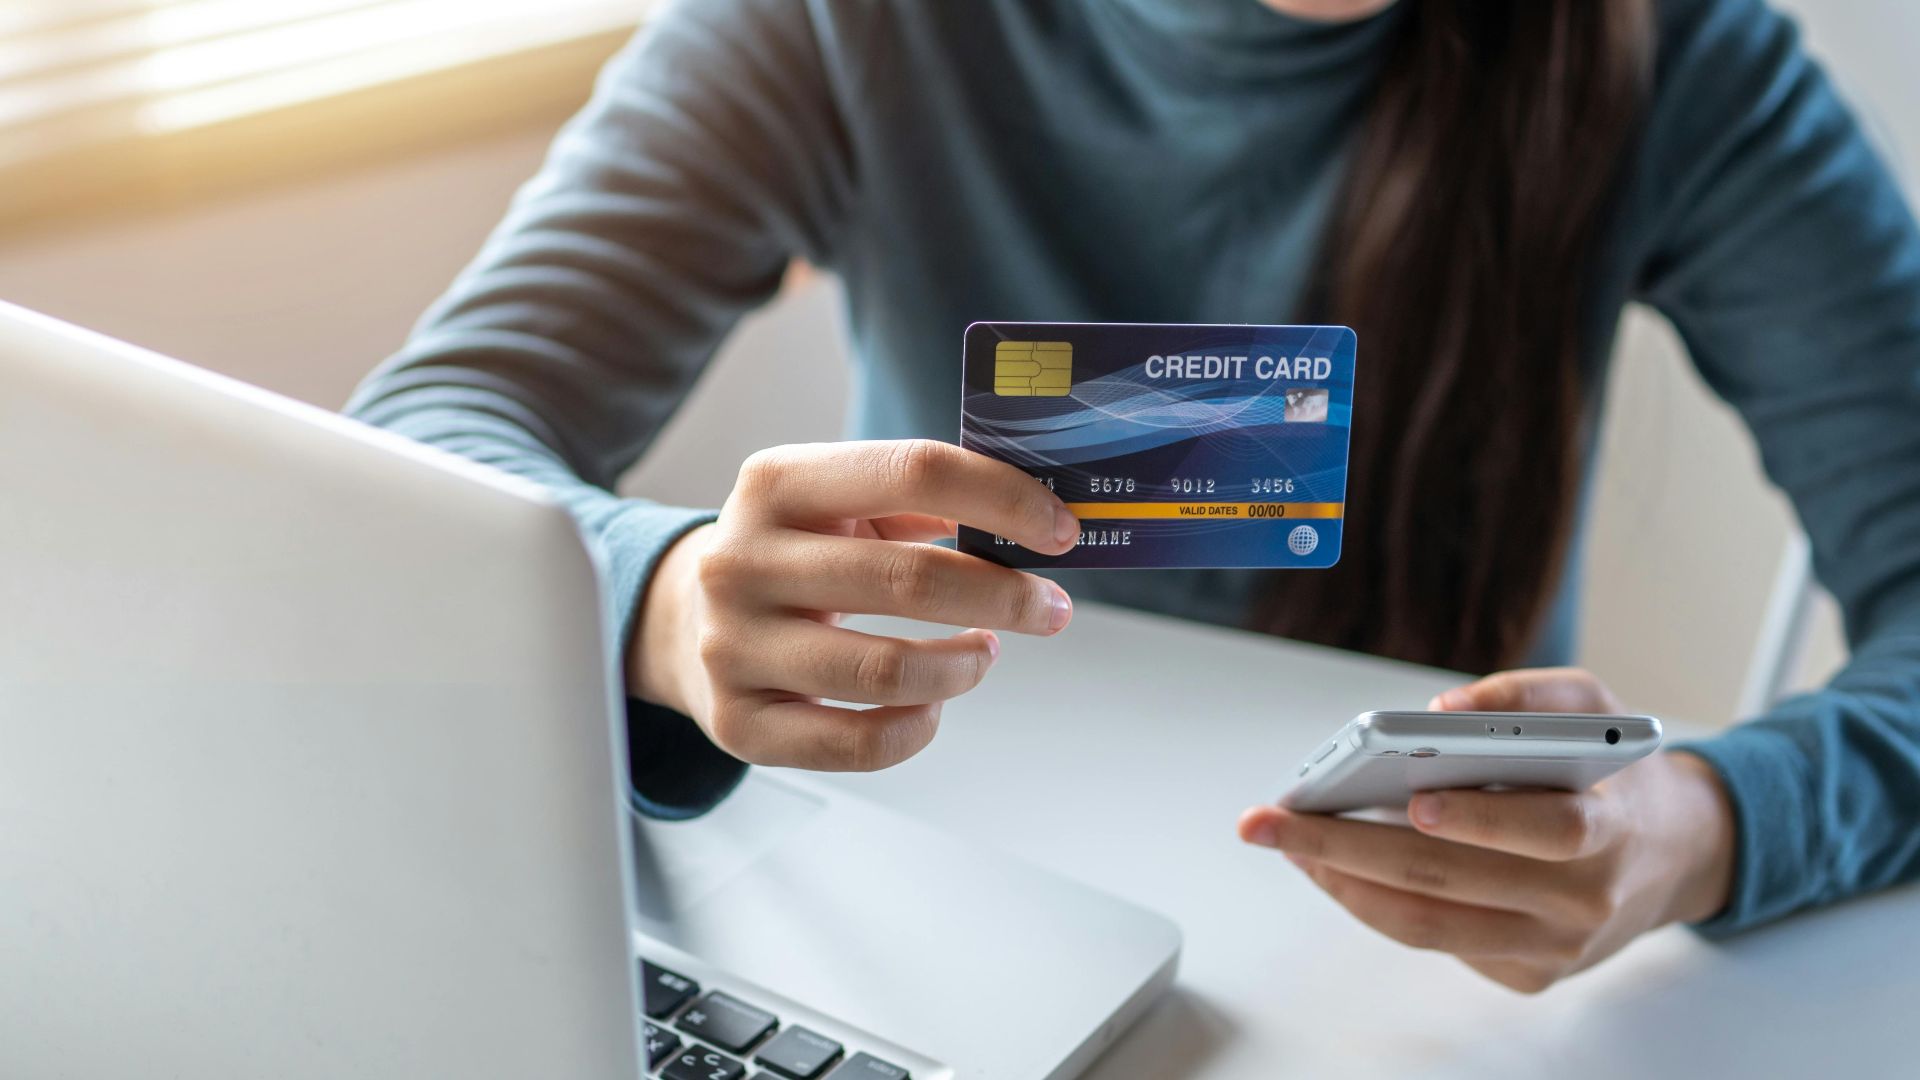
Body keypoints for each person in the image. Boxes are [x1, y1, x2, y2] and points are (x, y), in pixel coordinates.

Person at [348, 0, 1920, 993]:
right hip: (924, 908)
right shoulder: (843, 24)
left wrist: (1705, 823)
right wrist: (669, 597)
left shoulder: (1681, 53)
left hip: (1415, 979)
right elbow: (420, 442)